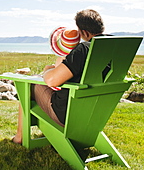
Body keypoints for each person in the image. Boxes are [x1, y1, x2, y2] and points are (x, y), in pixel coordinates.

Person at [12, 9, 105, 144]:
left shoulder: (84, 49)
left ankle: (19, 137)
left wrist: (46, 72)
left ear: (84, 32)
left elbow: (51, 81)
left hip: (68, 113)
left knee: (27, 87)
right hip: (97, 113)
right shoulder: (113, 47)